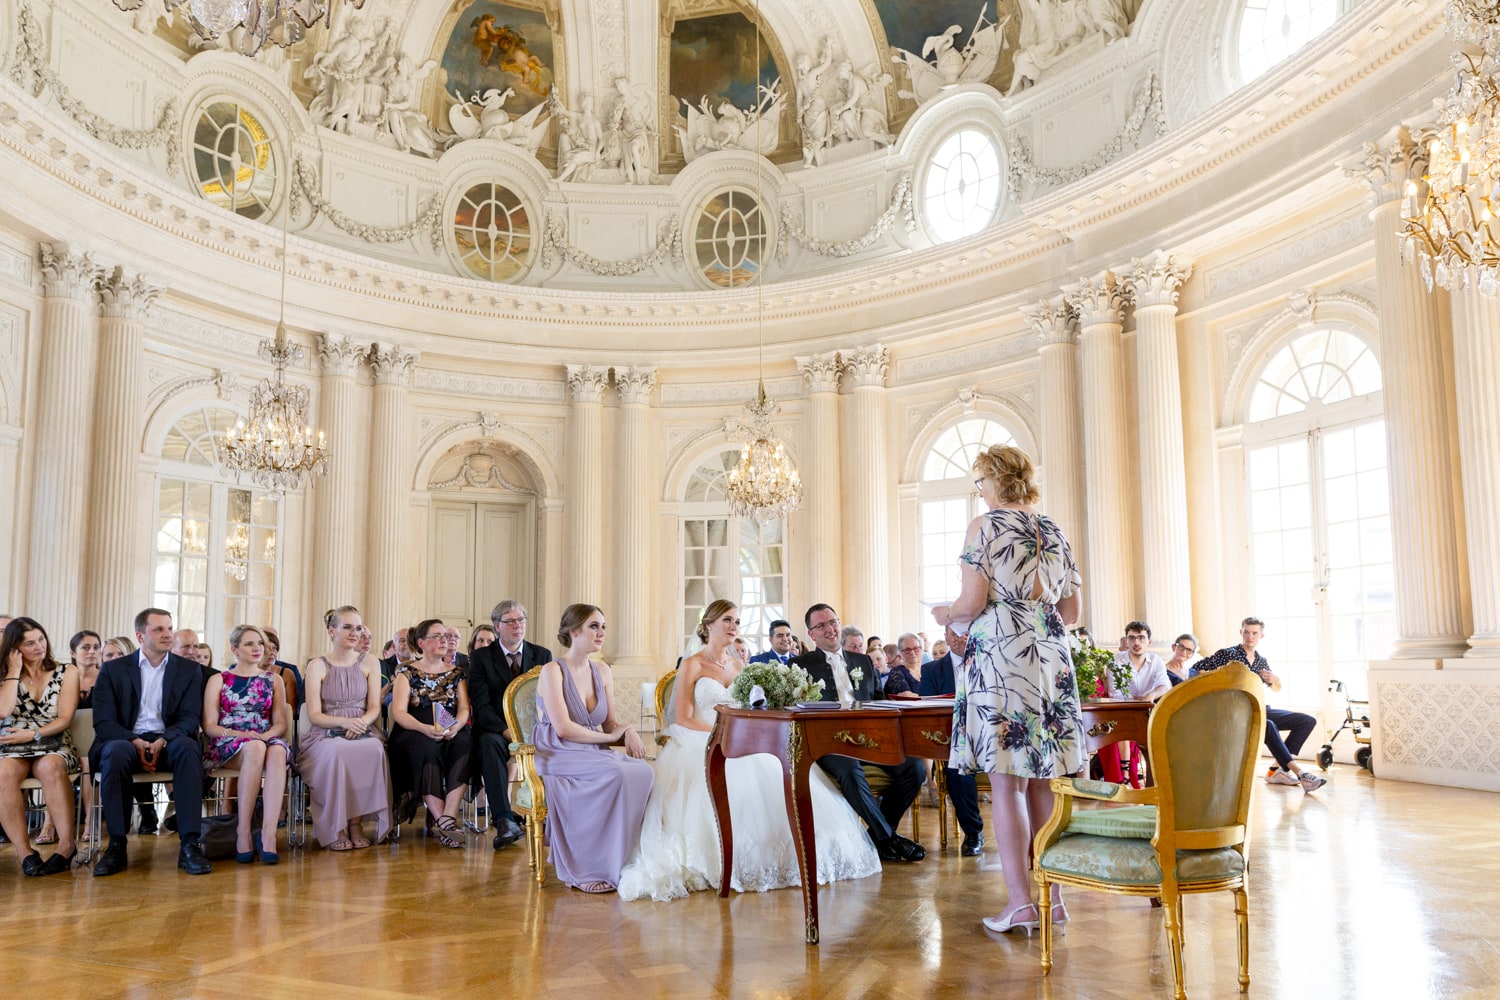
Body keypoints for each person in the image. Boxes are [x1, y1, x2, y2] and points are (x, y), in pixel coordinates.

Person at [619, 600, 879, 901]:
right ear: (708, 625)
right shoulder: (692, 664)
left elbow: (752, 707)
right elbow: (683, 717)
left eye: (737, 622)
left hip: (742, 738)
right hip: (700, 739)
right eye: (727, 620)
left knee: (783, 777)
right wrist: (722, 734)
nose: (734, 627)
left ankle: (787, 854)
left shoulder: (739, 666)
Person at [932, 444, 1085, 935]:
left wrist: (946, 614)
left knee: (1006, 780)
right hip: (1052, 655)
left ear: (994, 480)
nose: (980, 491)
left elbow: (972, 599)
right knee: (1043, 780)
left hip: (1002, 653)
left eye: (980, 482)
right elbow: (1074, 613)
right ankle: (1052, 898)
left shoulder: (986, 525)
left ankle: (1020, 902)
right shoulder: (1054, 529)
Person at [532, 604, 652, 893]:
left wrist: (629, 730)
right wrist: (613, 741)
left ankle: (620, 859)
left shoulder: (602, 670)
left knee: (644, 771)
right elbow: (563, 728)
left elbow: (610, 722)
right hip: (557, 751)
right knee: (617, 773)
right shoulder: (552, 671)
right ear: (573, 631)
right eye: (594, 626)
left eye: (603, 626)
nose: (602, 633)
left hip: (591, 750)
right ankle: (588, 866)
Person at [793, 603, 927, 864]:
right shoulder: (800, 665)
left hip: (869, 739)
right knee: (850, 770)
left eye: (833, 622)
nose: (830, 629)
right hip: (828, 743)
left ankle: (878, 838)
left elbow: (879, 702)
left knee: (915, 768)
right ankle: (890, 838)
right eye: (821, 625)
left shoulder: (863, 661)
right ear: (811, 634)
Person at [91, 607, 211, 876]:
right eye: (159, 629)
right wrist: (134, 740)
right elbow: (103, 722)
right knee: (115, 752)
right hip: (126, 739)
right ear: (140, 636)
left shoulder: (189, 670)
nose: (167, 634)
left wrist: (163, 739)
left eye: (169, 628)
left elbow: (190, 718)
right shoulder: (113, 670)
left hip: (168, 740)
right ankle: (117, 846)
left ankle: (190, 844)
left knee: (189, 748)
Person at [1191, 617, 1326, 792]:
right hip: (1236, 712)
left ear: (1261, 636)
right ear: (1241, 633)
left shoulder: (1261, 661)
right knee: (1267, 725)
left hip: (1259, 708)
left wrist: (1276, 680)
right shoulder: (1228, 655)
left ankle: (1275, 771)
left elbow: (1275, 688)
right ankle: (1301, 774)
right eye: (1246, 632)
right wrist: (1219, 679)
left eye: (1254, 633)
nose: (1250, 636)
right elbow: (1195, 670)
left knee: (1307, 721)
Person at [300, 606, 392, 851]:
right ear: (332, 631)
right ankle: (336, 826)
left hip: (364, 728)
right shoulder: (317, 665)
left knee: (373, 749)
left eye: (358, 627)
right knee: (338, 751)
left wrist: (361, 723)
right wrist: (344, 722)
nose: (355, 632)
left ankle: (355, 824)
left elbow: (374, 706)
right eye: (347, 627)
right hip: (325, 733)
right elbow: (314, 715)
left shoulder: (371, 662)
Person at [202, 625, 291, 863]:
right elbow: (209, 726)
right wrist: (243, 736)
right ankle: (243, 831)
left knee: (278, 752)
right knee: (255, 747)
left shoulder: (274, 680)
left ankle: (268, 834)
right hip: (228, 741)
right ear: (235, 649)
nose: (257, 648)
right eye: (249, 644)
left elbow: (280, 723)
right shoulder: (218, 679)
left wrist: (264, 736)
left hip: (264, 737)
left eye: (260, 643)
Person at [0, 617, 80, 875]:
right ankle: (25, 852)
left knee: (51, 767)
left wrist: (32, 734)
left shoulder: (67, 671)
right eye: (29, 643)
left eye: (41, 639)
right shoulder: (4, 675)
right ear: (14, 648)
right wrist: (13, 671)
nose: (39, 647)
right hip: (13, 745)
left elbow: (65, 718)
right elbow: (3, 711)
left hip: (53, 741)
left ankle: (66, 847)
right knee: (2, 774)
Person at [468, 599, 550, 851]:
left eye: (521, 620)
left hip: (535, 731)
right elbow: (481, 706)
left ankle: (549, 815)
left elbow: (548, 700)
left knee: (555, 742)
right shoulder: (481, 658)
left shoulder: (542, 655)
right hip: (497, 731)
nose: (517, 626)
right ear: (497, 626)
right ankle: (504, 820)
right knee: (488, 744)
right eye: (510, 621)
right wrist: (509, 731)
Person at [389, 618, 473, 847]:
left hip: (449, 725)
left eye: (446, 636)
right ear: (421, 643)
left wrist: (457, 726)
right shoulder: (406, 671)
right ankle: (445, 823)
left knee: (465, 743)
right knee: (425, 748)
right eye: (437, 636)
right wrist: (424, 728)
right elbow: (398, 712)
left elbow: (464, 708)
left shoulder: (456, 673)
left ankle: (447, 818)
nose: (444, 640)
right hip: (414, 727)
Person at [919, 627, 985, 856]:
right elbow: (928, 711)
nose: (961, 638)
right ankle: (974, 832)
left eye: (966, 632)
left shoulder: (988, 661)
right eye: (954, 633)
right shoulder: (932, 670)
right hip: (954, 740)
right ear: (946, 636)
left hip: (991, 736)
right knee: (957, 768)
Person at [1110, 622, 1173, 701]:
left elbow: (1164, 685)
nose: (1136, 643)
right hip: (1122, 709)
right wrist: (1136, 702)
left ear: (1149, 642)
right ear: (1127, 641)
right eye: (1132, 638)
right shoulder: (1115, 661)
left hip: (1150, 707)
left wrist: (1152, 695)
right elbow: (1115, 694)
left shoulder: (1156, 660)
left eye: (1141, 638)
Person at [71, 630, 103, 709]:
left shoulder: (108, 679)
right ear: (73, 654)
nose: (92, 651)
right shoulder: (62, 680)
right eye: (85, 648)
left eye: (96, 647)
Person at [886, 633, 925, 698]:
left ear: (922, 650)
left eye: (916, 648)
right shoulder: (896, 672)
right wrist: (931, 699)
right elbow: (906, 696)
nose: (912, 652)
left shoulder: (928, 671)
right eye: (908, 650)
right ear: (900, 653)